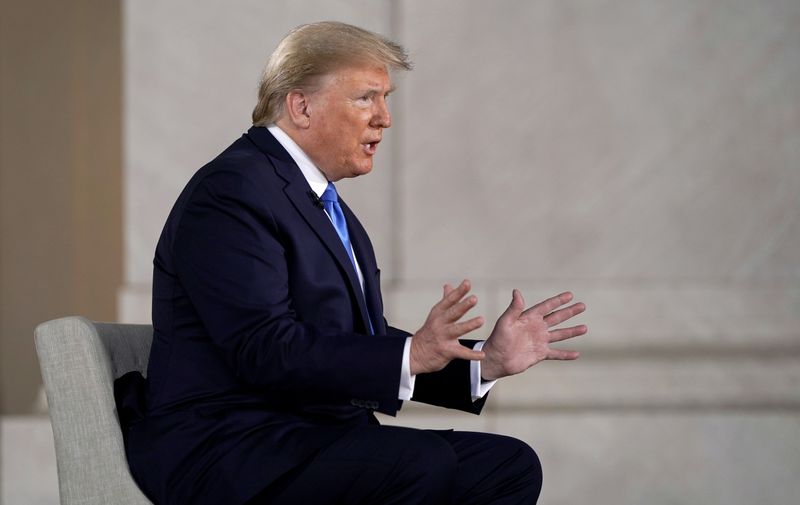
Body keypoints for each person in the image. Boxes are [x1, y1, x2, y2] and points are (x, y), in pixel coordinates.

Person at [116, 21, 587, 505]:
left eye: (386, 99)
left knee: (506, 467)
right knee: (418, 462)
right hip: (229, 445)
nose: (384, 118)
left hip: (308, 435)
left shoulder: (321, 204)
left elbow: (358, 341)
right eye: (366, 98)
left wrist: (482, 362)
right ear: (301, 105)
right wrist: (409, 357)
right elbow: (263, 347)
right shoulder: (231, 192)